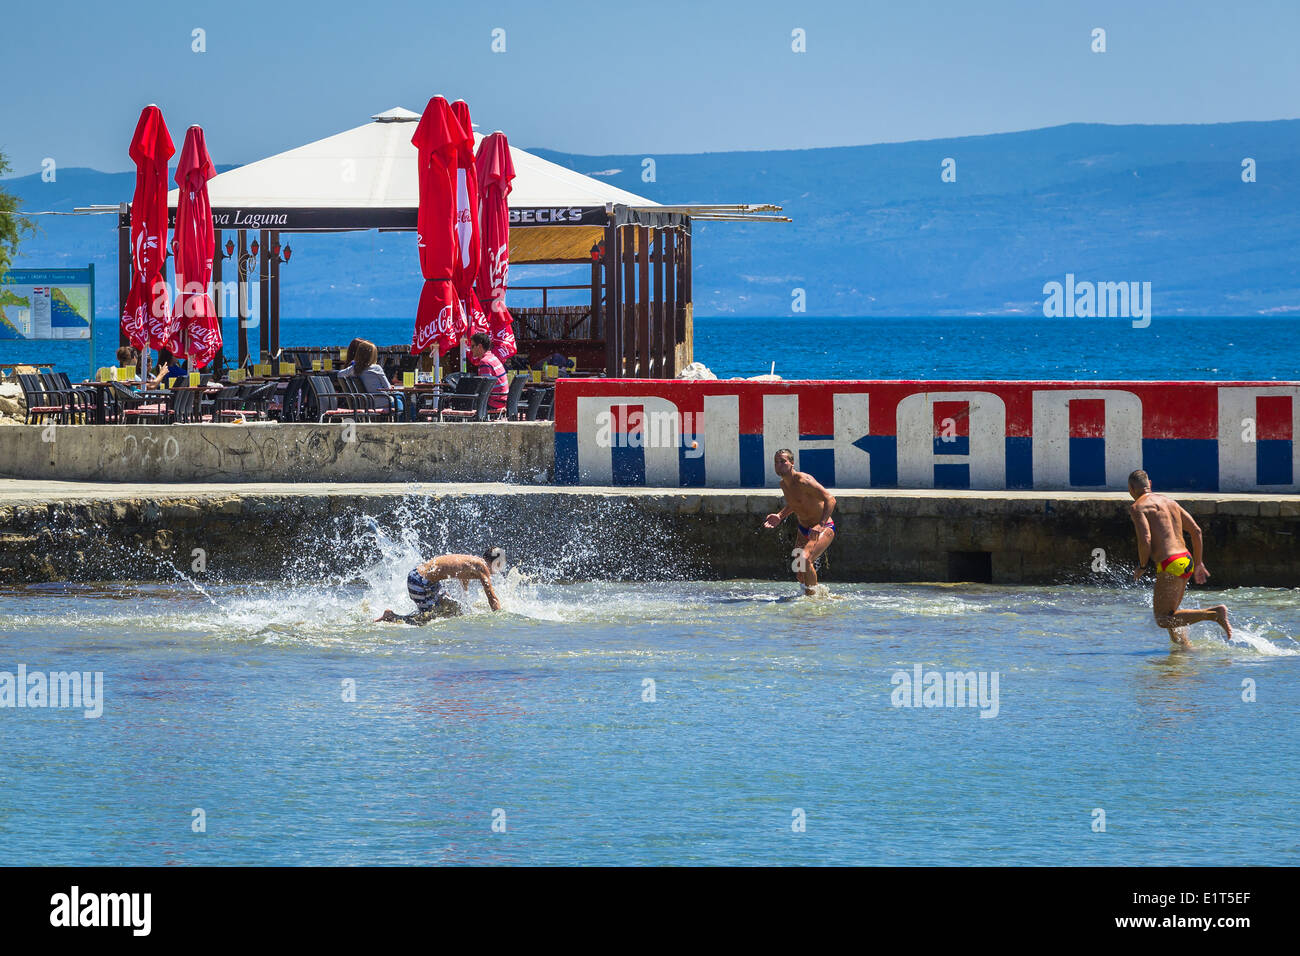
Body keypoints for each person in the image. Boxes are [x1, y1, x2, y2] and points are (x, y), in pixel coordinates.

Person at [1127, 469, 1232, 649]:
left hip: (1171, 564)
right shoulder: (1170, 502)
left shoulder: (1138, 507)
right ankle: (1184, 651)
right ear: (1149, 484)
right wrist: (1198, 563)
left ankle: (1214, 614)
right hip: (1186, 560)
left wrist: (1143, 565)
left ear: (1131, 488)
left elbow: (1145, 539)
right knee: (1171, 615)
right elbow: (1196, 531)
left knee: (1162, 619)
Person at [763, 448, 837, 595]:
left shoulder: (804, 481)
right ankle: (814, 595)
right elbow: (796, 503)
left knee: (805, 560)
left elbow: (830, 499)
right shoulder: (784, 484)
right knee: (799, 572)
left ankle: (814, 600)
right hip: (804, 530)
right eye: (776, 462)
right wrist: (780, 516)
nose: (779, 465)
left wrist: (820, 525)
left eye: (783, 461)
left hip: (823, 528)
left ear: (792, 463)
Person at [376, 548, 505, 624]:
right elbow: (492, 598)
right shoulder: (482, 567)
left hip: (424, 578)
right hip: (419, 582)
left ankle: (394, 617)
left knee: (454, 609)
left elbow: (463, 577)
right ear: (496, 563)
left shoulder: (474, 562)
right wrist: (500, 619)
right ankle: (392, 617)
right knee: (427, 621)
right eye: (501, 565)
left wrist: (466, 602)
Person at [338, 339, 401, 417]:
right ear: (373, 355)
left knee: (399, 397)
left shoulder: (354, 369)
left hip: (368, 401)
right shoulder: (376, 368)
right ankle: (406, 423)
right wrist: (390, 388)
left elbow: (339, 374)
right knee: (402, 399)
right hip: (382, 400)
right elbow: (387, 388)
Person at [469, 332, 508, 413]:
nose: (471, 349)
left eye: (472, 346)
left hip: (493, 403)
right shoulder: (493, 358)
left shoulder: (484, 362)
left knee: (462, 403)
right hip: (501, 401)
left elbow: (484, 389)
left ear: (479, 346)